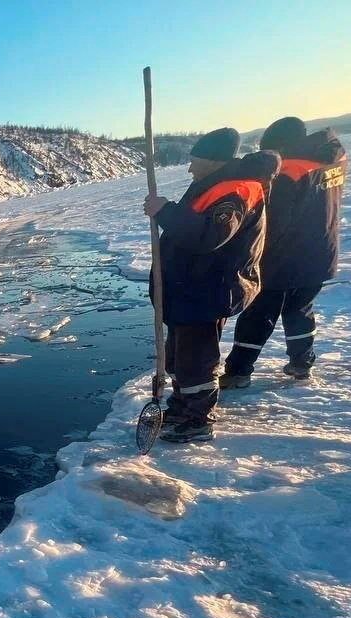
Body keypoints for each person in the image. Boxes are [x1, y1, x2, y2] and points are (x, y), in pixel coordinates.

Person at [144, 128, 279, 442]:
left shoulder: (236, 192)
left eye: (195, 161)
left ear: (213, 161)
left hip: (207, 290)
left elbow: (209, 236)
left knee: (196, 360)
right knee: (178, 356)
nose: (190, 168)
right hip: (190, 287)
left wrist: (165, 211)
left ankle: (198, 420)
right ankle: (181, 406)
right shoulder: (214, 185)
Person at [221, 117, 347, 386]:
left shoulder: (288, 170)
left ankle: (238, 371)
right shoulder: (331, 158)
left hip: (284, 256)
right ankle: (302, 363)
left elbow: (275, 220)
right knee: (299, 308)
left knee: (258, 311)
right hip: (322, 251)